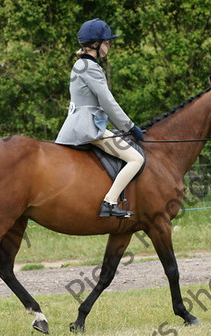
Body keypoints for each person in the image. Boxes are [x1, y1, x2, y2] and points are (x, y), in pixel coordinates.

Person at [56, 18, 145, 219]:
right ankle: (110, 202)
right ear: (95, 45)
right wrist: (130, 127)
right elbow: (107, 101)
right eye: (106, 42)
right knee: (135, 158)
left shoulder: (81, 64)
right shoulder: (90, 67)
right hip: (87, 128)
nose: (109, 46)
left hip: (78, 124)